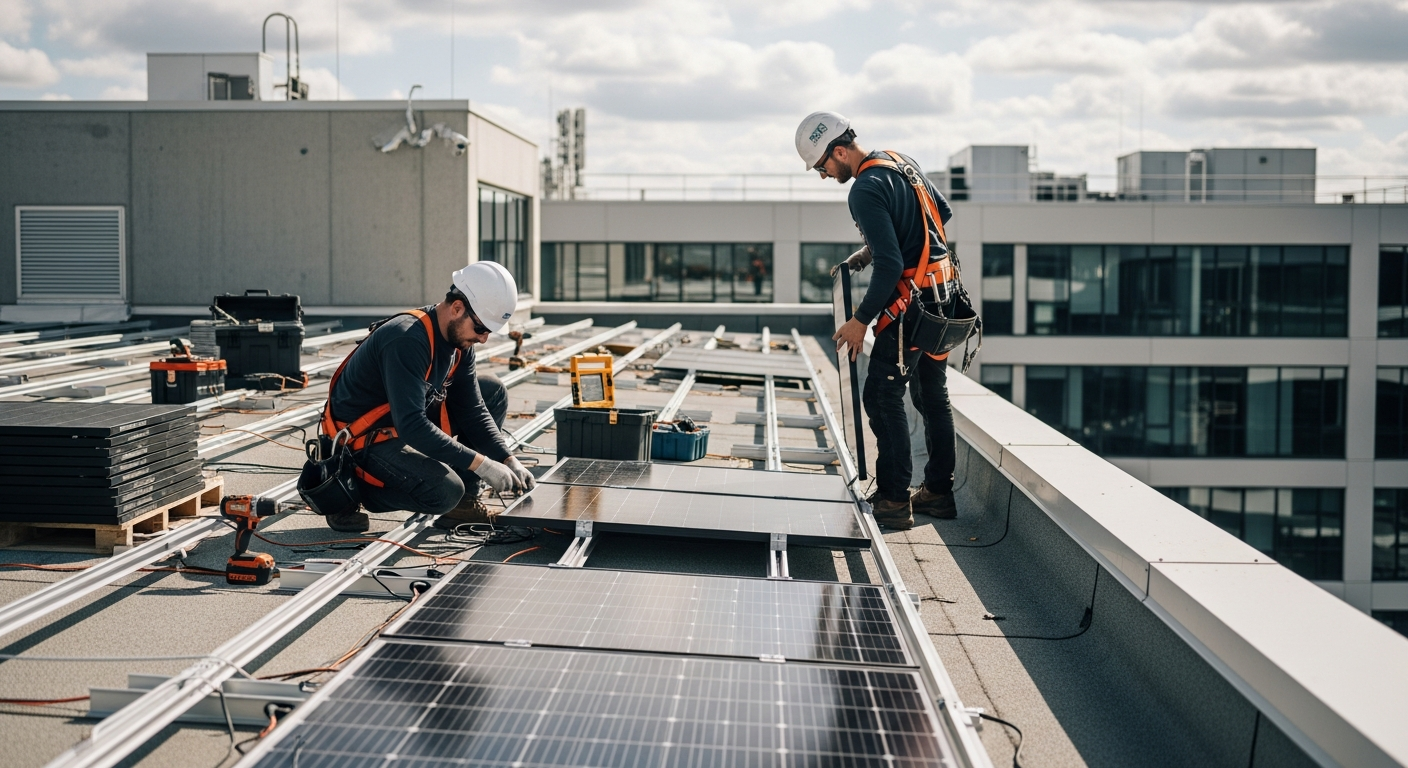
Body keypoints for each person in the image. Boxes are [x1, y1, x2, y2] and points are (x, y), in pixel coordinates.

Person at [795, 110, 959, 530]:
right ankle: (938, 493)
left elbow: (891, 266)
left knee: (883, 396)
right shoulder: (900, 161)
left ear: (840, 150)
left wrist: (860, 320)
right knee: (931, 395)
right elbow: (938, 214)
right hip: (945, 300)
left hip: (912, 309)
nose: (823, 175)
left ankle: (892, 499)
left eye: (822, 166)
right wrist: (867, 252)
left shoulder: (864, 190)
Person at [316, 261, 535, 533]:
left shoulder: (458, 343)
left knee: (492, 391)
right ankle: (351, 492)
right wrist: (482, 464)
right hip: (361, 442)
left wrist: (506, 458)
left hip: (398, 421)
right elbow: (412, 426)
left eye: (488, 331)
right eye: (480, 329)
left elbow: (473, 409)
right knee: (445, 492)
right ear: (457, 308)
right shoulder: (406, 339)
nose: (483, 339)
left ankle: (463, 505)